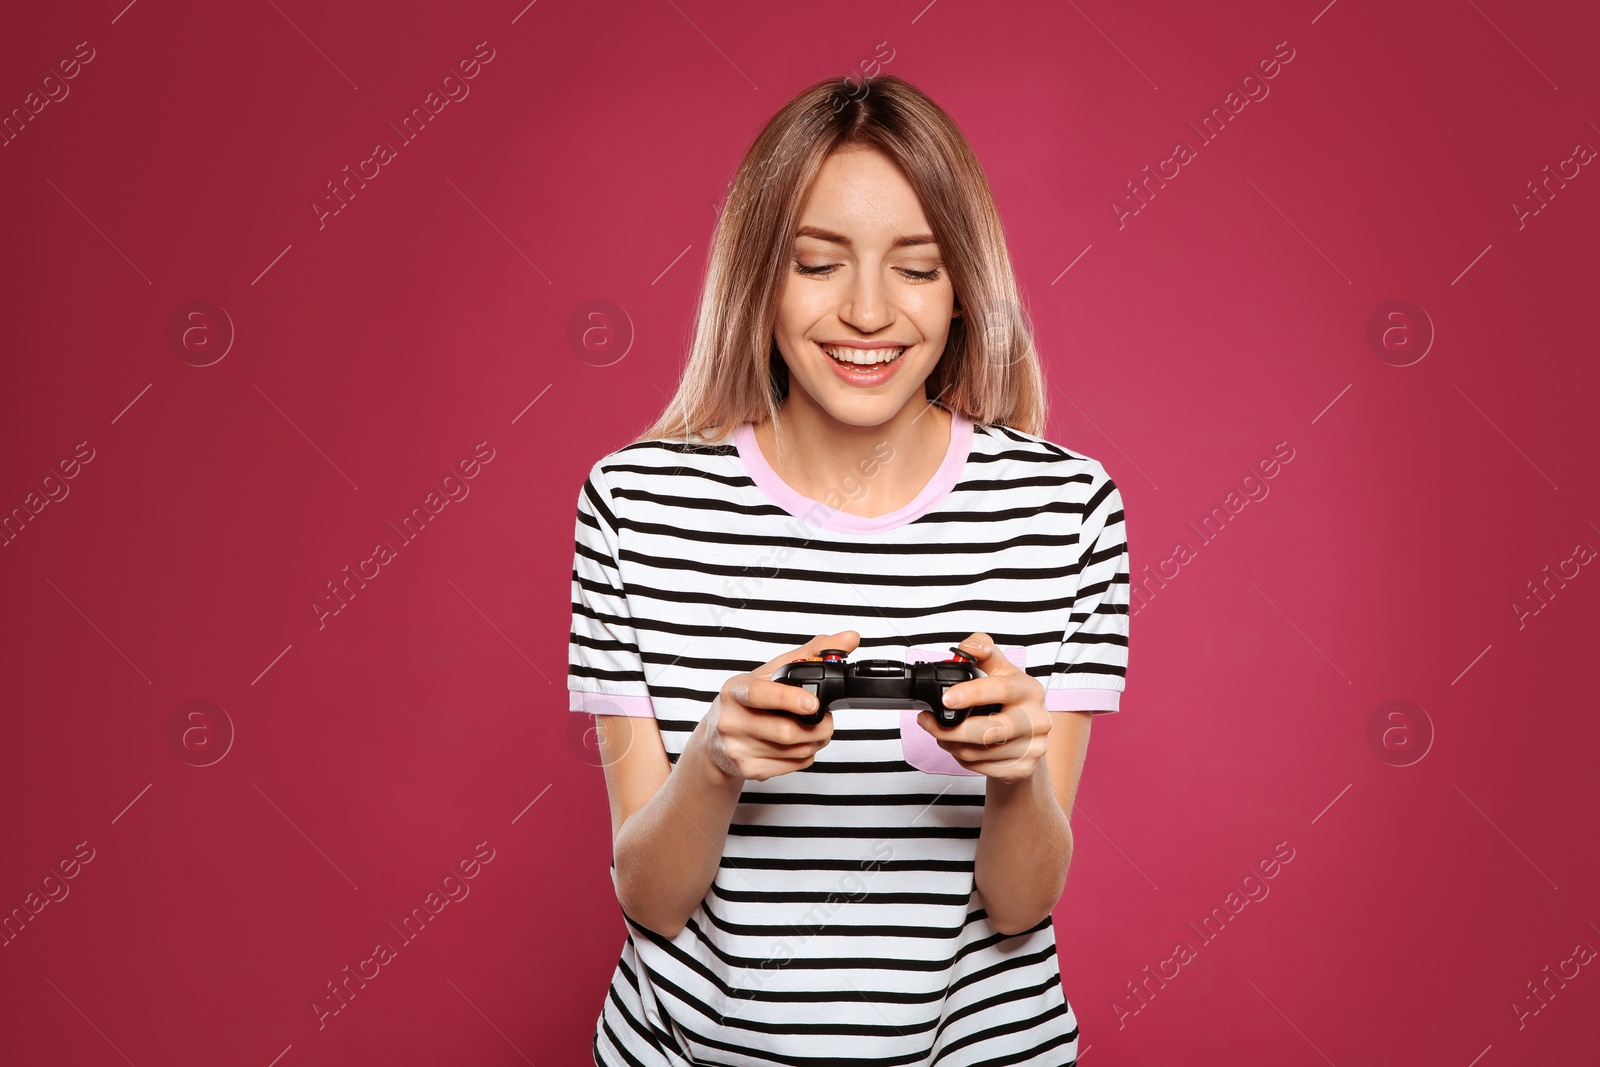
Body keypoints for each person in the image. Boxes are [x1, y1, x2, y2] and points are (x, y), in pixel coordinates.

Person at [568, 72, 1131, 1066]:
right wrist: (715, 759)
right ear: (757, 277)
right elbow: (649, 895)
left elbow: (1020, 902)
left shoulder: (1065, 511)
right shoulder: (634, 504)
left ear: (963, 288)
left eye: (915, 268)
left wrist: (1011, 777)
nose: (867, 313)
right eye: (819, 264)